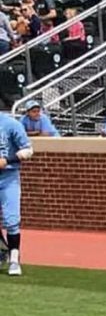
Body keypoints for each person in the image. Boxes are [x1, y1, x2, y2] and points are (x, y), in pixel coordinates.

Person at [0, 99, 34, 276]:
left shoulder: (10, 124)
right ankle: (2, 252)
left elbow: (28, 150)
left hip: (8, 177)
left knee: (11, 220)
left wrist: (7, 160)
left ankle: (14, 258)